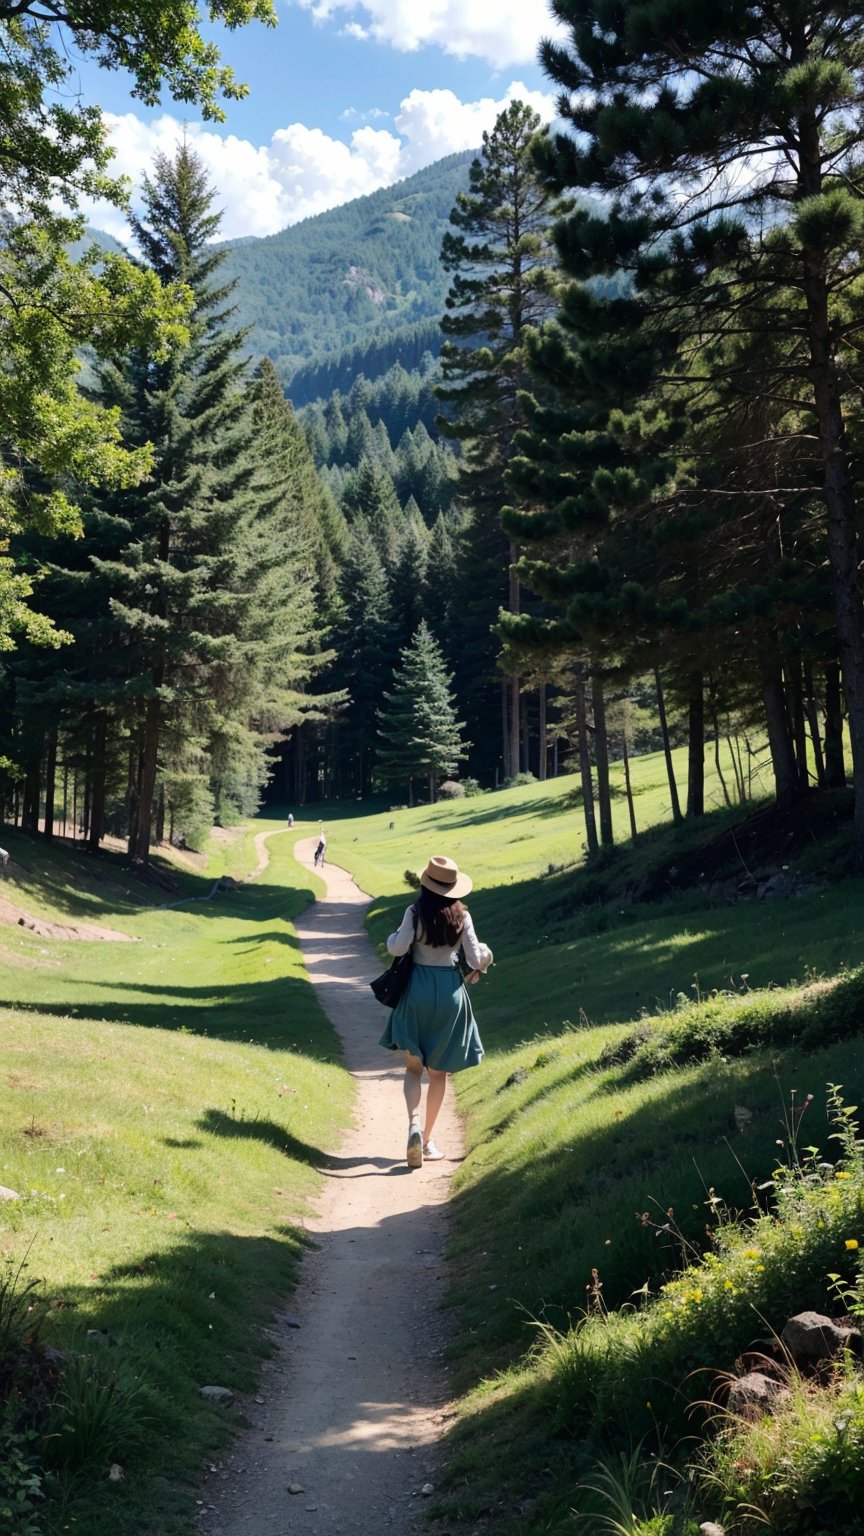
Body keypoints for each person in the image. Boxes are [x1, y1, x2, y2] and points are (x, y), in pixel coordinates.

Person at [379, 854, 493, 1168]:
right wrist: (486, 955)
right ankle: (427, 1141)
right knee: (438, 1072)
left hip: (416, 991)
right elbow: (475, 958)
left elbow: (397, 948)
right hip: (449, 994)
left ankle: (413, 1124)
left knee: (414, 1068)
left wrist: (392, 936)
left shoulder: (413, 913)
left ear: (426, 885)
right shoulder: (463, 917)